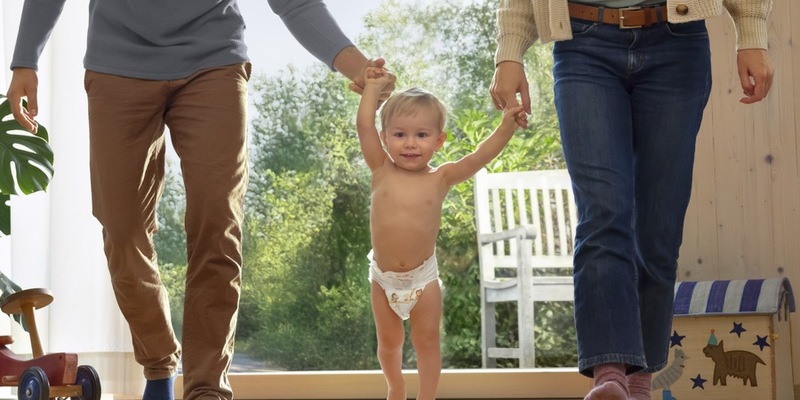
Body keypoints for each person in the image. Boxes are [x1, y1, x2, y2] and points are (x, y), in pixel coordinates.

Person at [5, 1, 394, 400]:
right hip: (116, 65)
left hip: (214, 61)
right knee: (121, 230)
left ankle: (207, 387)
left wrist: (358, 67)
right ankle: (159, 365)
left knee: (216, 227)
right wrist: (25, 61)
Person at [489, 1, 773, 400]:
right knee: (603, 213)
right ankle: (610, 374)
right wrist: (509, 51)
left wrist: (752, 32)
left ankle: (639, 383)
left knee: (659, 227)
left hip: (677, 44)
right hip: (583, 43)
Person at [357, 66, 526, 400]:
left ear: (438, 140)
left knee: (428, 342)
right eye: (399, 134)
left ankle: (427, 397)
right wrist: (372, 89)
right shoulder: (380, 168)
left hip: (423, 279)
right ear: (385, 137)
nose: (409, 144)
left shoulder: (441, 178)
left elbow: (479, 157)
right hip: (383, 279)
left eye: (421, 135)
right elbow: (364, 124)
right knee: (389, 344)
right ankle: (396, 388)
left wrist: (506, 128)